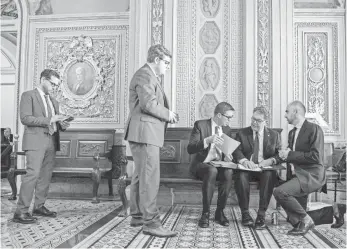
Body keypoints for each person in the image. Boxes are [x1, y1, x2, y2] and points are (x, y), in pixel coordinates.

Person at [124, 44, 179, 237]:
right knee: (150, 178)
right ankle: (152, 223)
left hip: (144, 133)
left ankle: (138, 215)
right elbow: (149, 104)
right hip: (145, 133)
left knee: (141, 176)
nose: (168, 67)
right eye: (166, 62)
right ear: (156, 60)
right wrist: (168, 114)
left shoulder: (148, 75)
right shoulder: (145, 75)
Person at [13, 69, 69, 224]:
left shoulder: (53, 100)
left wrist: (62, 123)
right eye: (52, 83)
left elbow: (54, 122)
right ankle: (21, 211)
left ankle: (39, 206)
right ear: (43, 79)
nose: (54, 87)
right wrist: (50, 119)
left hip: (51, 140)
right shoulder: (28, 95)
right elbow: (25, 118)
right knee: (32, 175)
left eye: (56, 85)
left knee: (45, 176)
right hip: (35, 141)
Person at [273, 100, 326, 235]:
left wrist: (290, 154)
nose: (285, 115)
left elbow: (315, 157)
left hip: (311, 175)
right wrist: (278, 157)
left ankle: (306, 219)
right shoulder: (292, 133)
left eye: (287, 111)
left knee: (280, 192)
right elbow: (291, 155)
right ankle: (300, 223)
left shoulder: (314, 129)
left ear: (296, 112)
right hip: (297, 174)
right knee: (293, 219)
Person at [232, 106, 281, 229]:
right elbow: (236, 151)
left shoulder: (274, 135)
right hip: (247, 167)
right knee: (241, 176)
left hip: (264, 168)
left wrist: (270, 160)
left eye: (258, 120)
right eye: (253, 119)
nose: (254, 122)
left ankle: (261, 215)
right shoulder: (242, 133)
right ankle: (245, 214)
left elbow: (279, 155)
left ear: (265, 122)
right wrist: (243, 160)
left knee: (270, 175)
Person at [187, 102, 235, 228]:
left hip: (219, 164)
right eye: (228, 117)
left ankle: (220, 212)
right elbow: (190, 148)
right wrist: (207, 140)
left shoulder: (227, 129)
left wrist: (228, 156)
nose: (230, 121)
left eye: (231, 118)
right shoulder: (200, 125)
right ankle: (206, 213)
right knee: (211, 170)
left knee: (228, 172)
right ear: (219, 115)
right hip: (201, 165)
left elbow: (227, 151)